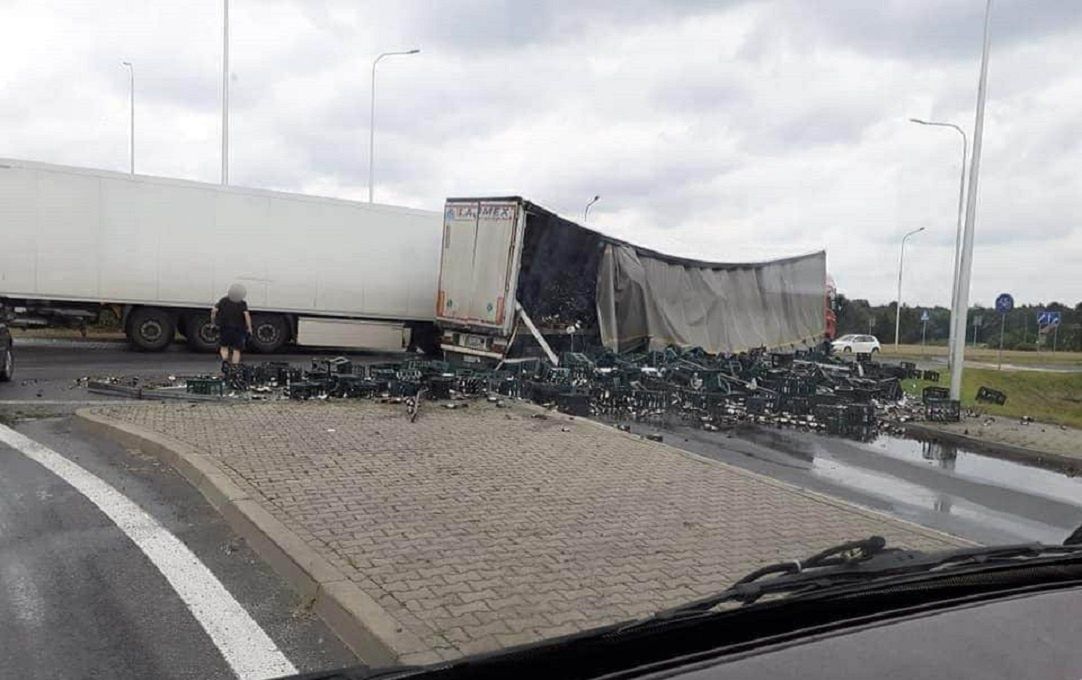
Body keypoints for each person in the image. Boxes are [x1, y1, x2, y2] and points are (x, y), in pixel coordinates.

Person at [210, 283, 252, 370]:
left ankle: (225, 360)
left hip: (224, 327)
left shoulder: (223, 301)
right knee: (237, 349)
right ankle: (234, 367)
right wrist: (249, 328)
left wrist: (213, 322)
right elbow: (246, 315)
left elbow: (214, 311)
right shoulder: (242, 303)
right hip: (239, 329)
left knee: (224, 346)